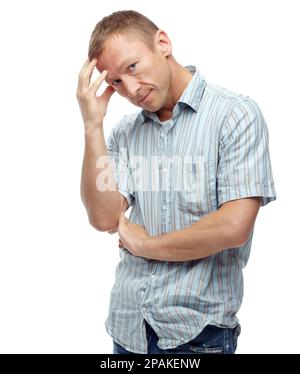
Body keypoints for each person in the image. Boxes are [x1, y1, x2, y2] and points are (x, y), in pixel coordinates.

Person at [76, 10, 276, 354]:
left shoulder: (234, 115)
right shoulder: (125, 134)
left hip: (198, 335)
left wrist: (145, 244)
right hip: (129, 329)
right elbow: (104, 218)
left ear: (163, 44)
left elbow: (233, 226)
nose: (131, 89)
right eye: (116, 82)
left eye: (132, 67)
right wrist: (93, 125)